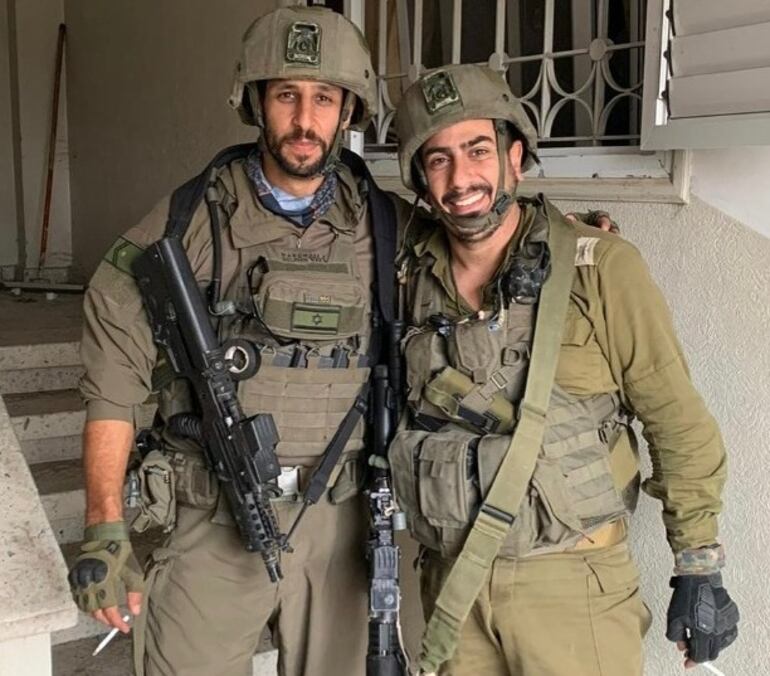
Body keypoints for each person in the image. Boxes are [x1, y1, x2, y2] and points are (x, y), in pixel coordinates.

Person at [66, 6, 617, 674]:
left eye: (324, 98)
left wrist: (563, 234)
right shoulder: (191, 221)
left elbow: (479, 244)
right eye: (286, 95)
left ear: (349, 108)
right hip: (214, 517)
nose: (305, 120)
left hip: (343, 522)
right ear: (256, 102)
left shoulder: (385, 225)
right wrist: (105, 527)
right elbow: (114, 375)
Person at [388, 63, 739, 676]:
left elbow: (676, 420)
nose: (461, 178)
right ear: (421, 177)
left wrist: (698, 564)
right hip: (452, 585)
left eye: (477, 150)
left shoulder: (601, 268)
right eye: (438, 159)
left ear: (514, 158)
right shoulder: (406, 274)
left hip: (572, 586)